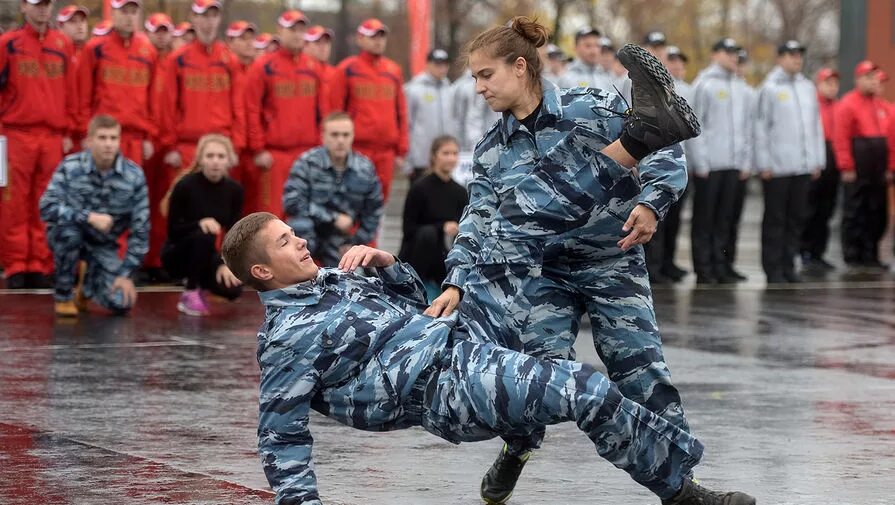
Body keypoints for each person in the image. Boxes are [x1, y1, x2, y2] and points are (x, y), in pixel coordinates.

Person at [220, 222, 754, 503]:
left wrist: (386, 263)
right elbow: (281, 437)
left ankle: (519, 442)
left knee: (526, 277)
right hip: (442, 386)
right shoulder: (286, 339)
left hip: (458, 336)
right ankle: (680, 491)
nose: (303, 242)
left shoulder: (333, 279)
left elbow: (413, 298)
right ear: (263, 271)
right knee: (580, 389)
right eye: (287, 242)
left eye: (294, 232)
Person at [425, 18, 692, 503]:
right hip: (543, 272)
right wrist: (456, 283)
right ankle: (519, 446)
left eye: (486, 74)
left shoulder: (592, 107)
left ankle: (682, 486)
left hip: (612, 259)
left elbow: (662, 148)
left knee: (641, 372)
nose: (479, 87)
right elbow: (478, 221)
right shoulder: (491, 150)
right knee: (540, 376)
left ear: (520, 67)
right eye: (474, 78)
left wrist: (653, 203)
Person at [155, 0, 245, 280]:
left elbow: (238, 106)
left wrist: (236, 146)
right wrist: (169, 144)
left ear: (218, 20)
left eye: (213, 16)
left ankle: (217, 269)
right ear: (193, 19)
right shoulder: (178, 60)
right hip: (186, 146)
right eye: (202, 16)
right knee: (182, 209)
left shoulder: (229, 60)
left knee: (219, 209)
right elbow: (167, 104)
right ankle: (178, 268)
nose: (207, 22)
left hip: (220, 147)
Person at [0, 0, 77, 289]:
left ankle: (43, 263)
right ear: (23, 7)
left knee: (49, 201)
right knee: (14, 201)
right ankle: (17, 263)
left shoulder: (63, 44)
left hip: (53, 135)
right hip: (15, 133)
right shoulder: (8, 44)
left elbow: (72, 91)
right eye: (36, 4)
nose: (42, 9)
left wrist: (70, 127)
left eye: (46, 4)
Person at [39, 114, 149, 317]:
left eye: (113, 138)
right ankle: (64, 295)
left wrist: (126, 274)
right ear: (89, 141)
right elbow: (46, 207)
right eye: (102, 138)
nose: (108, 144)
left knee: (121, 303)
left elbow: (141, 230)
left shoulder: (134, 176)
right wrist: (88, 217)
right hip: (70, 235)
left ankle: (86, 286)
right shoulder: (70, 167)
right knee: (69, 235)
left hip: (103, 245)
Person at [753, 40, 825, 284]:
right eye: (791, 55)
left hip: (802, 166)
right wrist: (764, 163)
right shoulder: (770, 88)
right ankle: (772, 268)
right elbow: (761, 127)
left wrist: (817, 160)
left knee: (796, 218)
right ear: (780, 58)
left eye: (799, 55)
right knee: (775, 219)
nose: (797, 59)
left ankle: (788, 265)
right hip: (777, 167)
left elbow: (815, 126)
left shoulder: (807, 87)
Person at [245, 10, 327, 218]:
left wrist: (320, 149)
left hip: (306, 153)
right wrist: (258, 149)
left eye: (301, 29)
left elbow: (321, 112)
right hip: (275, 155)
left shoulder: (313, 67)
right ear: (280, 30)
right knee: (271, 215)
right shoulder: (264, 66)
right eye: (292, 29)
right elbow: (252, 108)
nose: (298, 35)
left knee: (305, 214)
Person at [689, 38, 753, 284]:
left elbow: (747, 128)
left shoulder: (741, 88)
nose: (733, 57)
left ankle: (724, 264)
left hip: (734, 164)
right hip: (711, 164)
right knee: (706, 218)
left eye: (735, 52)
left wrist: (746, 161)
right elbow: (695, 126)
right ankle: (704, 268)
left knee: (727, 217)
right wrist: (701, 162)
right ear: (715, 54)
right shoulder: (704, 85)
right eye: (727, 52)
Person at [282, 112, 383, 267]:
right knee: (300, 227)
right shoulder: (306, 163)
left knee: (353, 279)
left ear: (353, 136)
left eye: (345, 135)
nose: (340, 140)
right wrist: (333, 217)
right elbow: (292, 202)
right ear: (323, 136)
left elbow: (373, 212)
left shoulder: (365, 168)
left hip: (343, 238)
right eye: (334, 135)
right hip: (309, 232)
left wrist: (355, 243)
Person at [162, 134, 243, 316]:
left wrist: (225, 263)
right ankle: (190, 290)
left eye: (221, 157)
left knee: (232, 288)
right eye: (210, 156)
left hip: (208, 254)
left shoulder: (234, 190)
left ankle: (202, 287)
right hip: (179, 252)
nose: (215, 162)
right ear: (200, 159)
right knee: (205, 235)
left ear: (229, 160)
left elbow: (234, 233)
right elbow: (173, 230)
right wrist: (199, 223)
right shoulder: (185, 185)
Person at [330, 18, 408, 202]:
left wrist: (401, 150)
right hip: (356, 148)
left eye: (381, 36)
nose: (378, 40)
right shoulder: (347, 69)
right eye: (372, 36)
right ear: (360, 39)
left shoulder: (393, 70)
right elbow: (335, 112)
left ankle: (375, 232)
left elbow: (401, 112)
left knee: (380, 201)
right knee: (353, 199)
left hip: (386, 151)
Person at [78, 0, 158, 166]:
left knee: (130, 189)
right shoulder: (95, 49)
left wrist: (149, 137)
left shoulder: (148, 51)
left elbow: (152, 100)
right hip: (103, 135)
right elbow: (83, 96)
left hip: (135, 137)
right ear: (113, 13)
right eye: (124, 12)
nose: (129, 17)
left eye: (133, 12)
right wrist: (85, 132)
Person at [833, 61, 892, 270]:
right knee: (855, 211)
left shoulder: (882, 106)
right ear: (858, 79)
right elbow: (841, 138)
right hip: (859, 165)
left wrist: (889, 167)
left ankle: (871, 253)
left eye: (874, 77)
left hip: (877, 165)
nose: (873, 81)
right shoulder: (848, 104)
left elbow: (889, 139)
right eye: (868, 77)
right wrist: (846, 165)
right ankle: (853, 254)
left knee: (876, 211)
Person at [644, 44, 692, 284]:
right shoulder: (637, 81)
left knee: (672, 219)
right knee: (651, 215)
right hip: (650, 160)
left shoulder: (680, 88)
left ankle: (665, 263)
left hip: (676, 160)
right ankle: (650, 266)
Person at [398, 136, 468, 299]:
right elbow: (408, 229)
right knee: (428, 234)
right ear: (434, 156)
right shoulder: (419, 187)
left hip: (443, 255)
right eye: (446, 153)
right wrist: (441, 227)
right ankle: (415, 288)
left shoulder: (460, 192)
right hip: (418, 253)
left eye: (454, 153)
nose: (451, 158)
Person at [800, 68, 841, 271]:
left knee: (826, 209)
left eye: (835, 83)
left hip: (833, 157)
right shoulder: (811, 105)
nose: (832, 87)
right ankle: (805, 250)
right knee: (810, 208)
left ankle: (818, 252)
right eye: (828, 83)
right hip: (817, 154)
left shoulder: (838, 107)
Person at [404, 49, 457, 182]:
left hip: (445, 160)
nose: (442, 68)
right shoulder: (413, 89)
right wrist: (407, 161)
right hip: (421, 160)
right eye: (437, 64)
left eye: (445, 64)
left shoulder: (450, 90)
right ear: (428, 65)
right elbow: (406, 124)